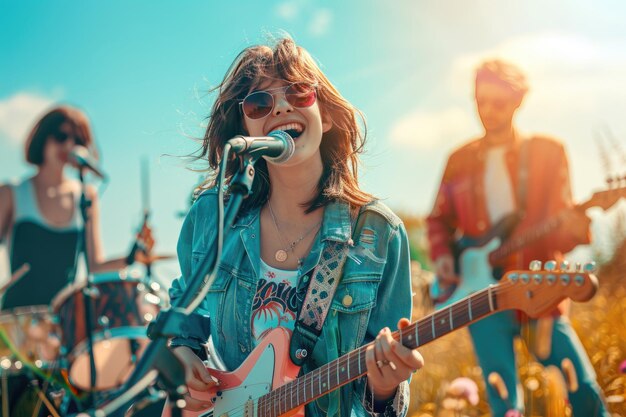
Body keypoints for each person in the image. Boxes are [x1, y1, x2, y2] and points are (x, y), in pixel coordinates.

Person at [168, 36, 424, 417]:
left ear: (329, 113)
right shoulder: (212, 216)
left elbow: (385, 406)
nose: (282, 105)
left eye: (299, 92)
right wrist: (182, 355)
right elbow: (183, 313)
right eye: (259, 102)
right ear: (244, 129)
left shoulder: (378, 234)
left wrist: (384, 387)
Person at [426, 59, 609, 416]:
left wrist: (574, 222)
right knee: (505, 404)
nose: (489, 111)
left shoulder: (548, 152)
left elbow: (563, 235)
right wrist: (444, 256)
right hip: (480, 298)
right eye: (481, 101)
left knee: (583, 389)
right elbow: (437, 220)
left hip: (539, 288)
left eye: (499, 102)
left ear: (517, 101)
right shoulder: (458, 160)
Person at [0, 105, 153, 415]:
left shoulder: (86, 196)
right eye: (61, 136)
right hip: (15, 325)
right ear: (42, 139)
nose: (70, 146)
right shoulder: (13, 193)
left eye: (78, 139)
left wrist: (130, 256)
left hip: (61, 329)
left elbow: (95, 266)